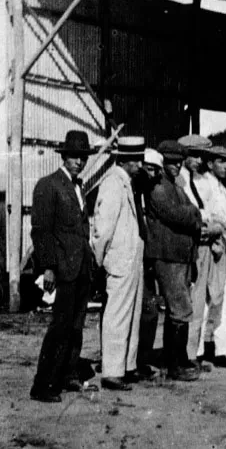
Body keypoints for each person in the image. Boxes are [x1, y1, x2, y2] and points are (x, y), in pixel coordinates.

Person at [30, 131, 97, 402]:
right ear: (64, 156)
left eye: (83, 157)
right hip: (62, 267)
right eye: (74, 157)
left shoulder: (77, 187)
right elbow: (41, 230)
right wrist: (48, 267)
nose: (79, 162)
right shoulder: (49, 185)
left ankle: (68, 374)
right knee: (60, 326)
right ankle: (43, 384)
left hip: (81, 268)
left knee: (76, 325)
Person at [91, 137, 145, 391]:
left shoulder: (126, 182)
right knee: (117, 315)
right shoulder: (113, 183)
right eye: (135, 159)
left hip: (131, 256)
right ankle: (112, 371)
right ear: (123, 159)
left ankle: (127, 365)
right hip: (119, 258)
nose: (139, 164)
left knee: (132, 314)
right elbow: (102, 228)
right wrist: (99, 260)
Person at [146, 140, 203, 381]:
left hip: (179, 255)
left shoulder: (176, 186)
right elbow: (179, 215)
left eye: (179, 162)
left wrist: (191, 213)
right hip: (168, 255)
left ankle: (176, 359)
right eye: (171, 162)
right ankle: (175, 364)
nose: (177, 166)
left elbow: (190, 210)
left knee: (178, 309)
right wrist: (194, 215)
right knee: (180, 308)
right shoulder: (159, 187)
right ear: (162, 163)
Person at [196, 146, 226, 368]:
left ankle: (223, 349)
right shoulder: (204, 184)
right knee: (206, 298)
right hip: (209, 244)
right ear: (209, 164)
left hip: (223, 246)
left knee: (225, 296)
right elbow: (207, 215)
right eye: (220, 162)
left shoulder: (223, 188)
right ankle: (195, 351)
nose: (225, 166)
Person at [176, 134, 217, 371]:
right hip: (186, 245)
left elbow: (210, 213)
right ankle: (181, 353)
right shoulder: (178, 181)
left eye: (201, 156)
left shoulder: (204, 182)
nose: (198, 160)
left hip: (204, 244)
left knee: (200, 301)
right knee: (186, 301)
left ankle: (194, 353)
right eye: (194, 155)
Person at [135, 148, 164, 379]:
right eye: (148, 168)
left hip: (148, 262)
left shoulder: (151, 195)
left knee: (150, 312)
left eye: (155, 170)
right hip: (131, 261)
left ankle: (141, 360)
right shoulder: (133, 191)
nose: (150, 174)